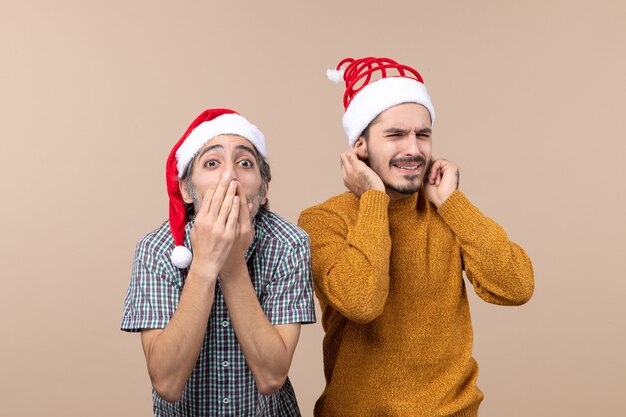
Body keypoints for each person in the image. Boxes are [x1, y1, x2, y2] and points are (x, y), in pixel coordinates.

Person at [298, 57, 534, 417]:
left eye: (422, 134)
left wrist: (453, 202)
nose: (413, 149)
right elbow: (362, 302)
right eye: (395, 135)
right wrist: (374, 197)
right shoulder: (323, 220)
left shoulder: (446, 211)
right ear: (360, 147)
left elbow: (516, 285)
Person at [121, 108, 316, 417]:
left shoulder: (288, 244)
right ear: (186, 189)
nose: (230, 176)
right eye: (212, 163)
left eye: (245, 163)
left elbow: (271, 377)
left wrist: (232, 265)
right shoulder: (156, 251)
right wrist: (204, 265)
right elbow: (167, 383)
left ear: (263, 190)